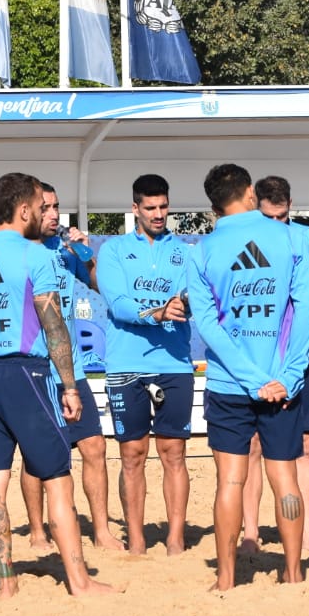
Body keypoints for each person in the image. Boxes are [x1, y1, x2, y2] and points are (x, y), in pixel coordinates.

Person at [0, 172, 113, 598]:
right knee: (58, 479)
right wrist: (70, 387)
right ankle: (79, 580)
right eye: (40, 206)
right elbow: (55, 330)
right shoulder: (35, 256)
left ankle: (6, 582)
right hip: (27, 376)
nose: (44, 213)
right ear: (22, 210)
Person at [186, 164, 309, 590]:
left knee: (230, 481)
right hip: (280, 383)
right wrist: (288, 376)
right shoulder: (292, 238)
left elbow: (208, 326)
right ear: (248, 191)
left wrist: (248, 377)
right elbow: (305, 316)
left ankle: (225, 579)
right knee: (285, 478)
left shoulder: (201, 251)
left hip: (228, 384)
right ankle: (293, 573)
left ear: (213, 205)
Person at [17, 183, 123, 550]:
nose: (52, 214)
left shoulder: (65, 252)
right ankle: (36, 530)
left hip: (72, 368)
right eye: (45, 207)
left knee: (94, 446)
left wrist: (88, 255)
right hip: (32, 368)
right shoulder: (18, 252)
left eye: (56, 207)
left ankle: (102, 530)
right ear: (28, 210)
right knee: (35, 455)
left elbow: (99, 285)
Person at [95, 174, 193, 556]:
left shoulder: (185, 251)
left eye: (163, 207)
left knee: (174, 453)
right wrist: (158, 312)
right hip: (125, 363)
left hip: (175, 363)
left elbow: (195, 299)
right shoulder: (114, 250)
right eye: (150, 207)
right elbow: (117, 304)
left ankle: (175, 539)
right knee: (132, 455)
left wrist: (184, 305)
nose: (158, 214)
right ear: (134, 208)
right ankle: (136, 540)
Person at [251, 174, 309, 554]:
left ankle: (307, 531)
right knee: (250, 446)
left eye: (284, 218)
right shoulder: (244, 245)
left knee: (306, 446)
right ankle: (250, 533)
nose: (278, 226)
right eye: (270, 219)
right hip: (257, 358)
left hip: (302, 358)